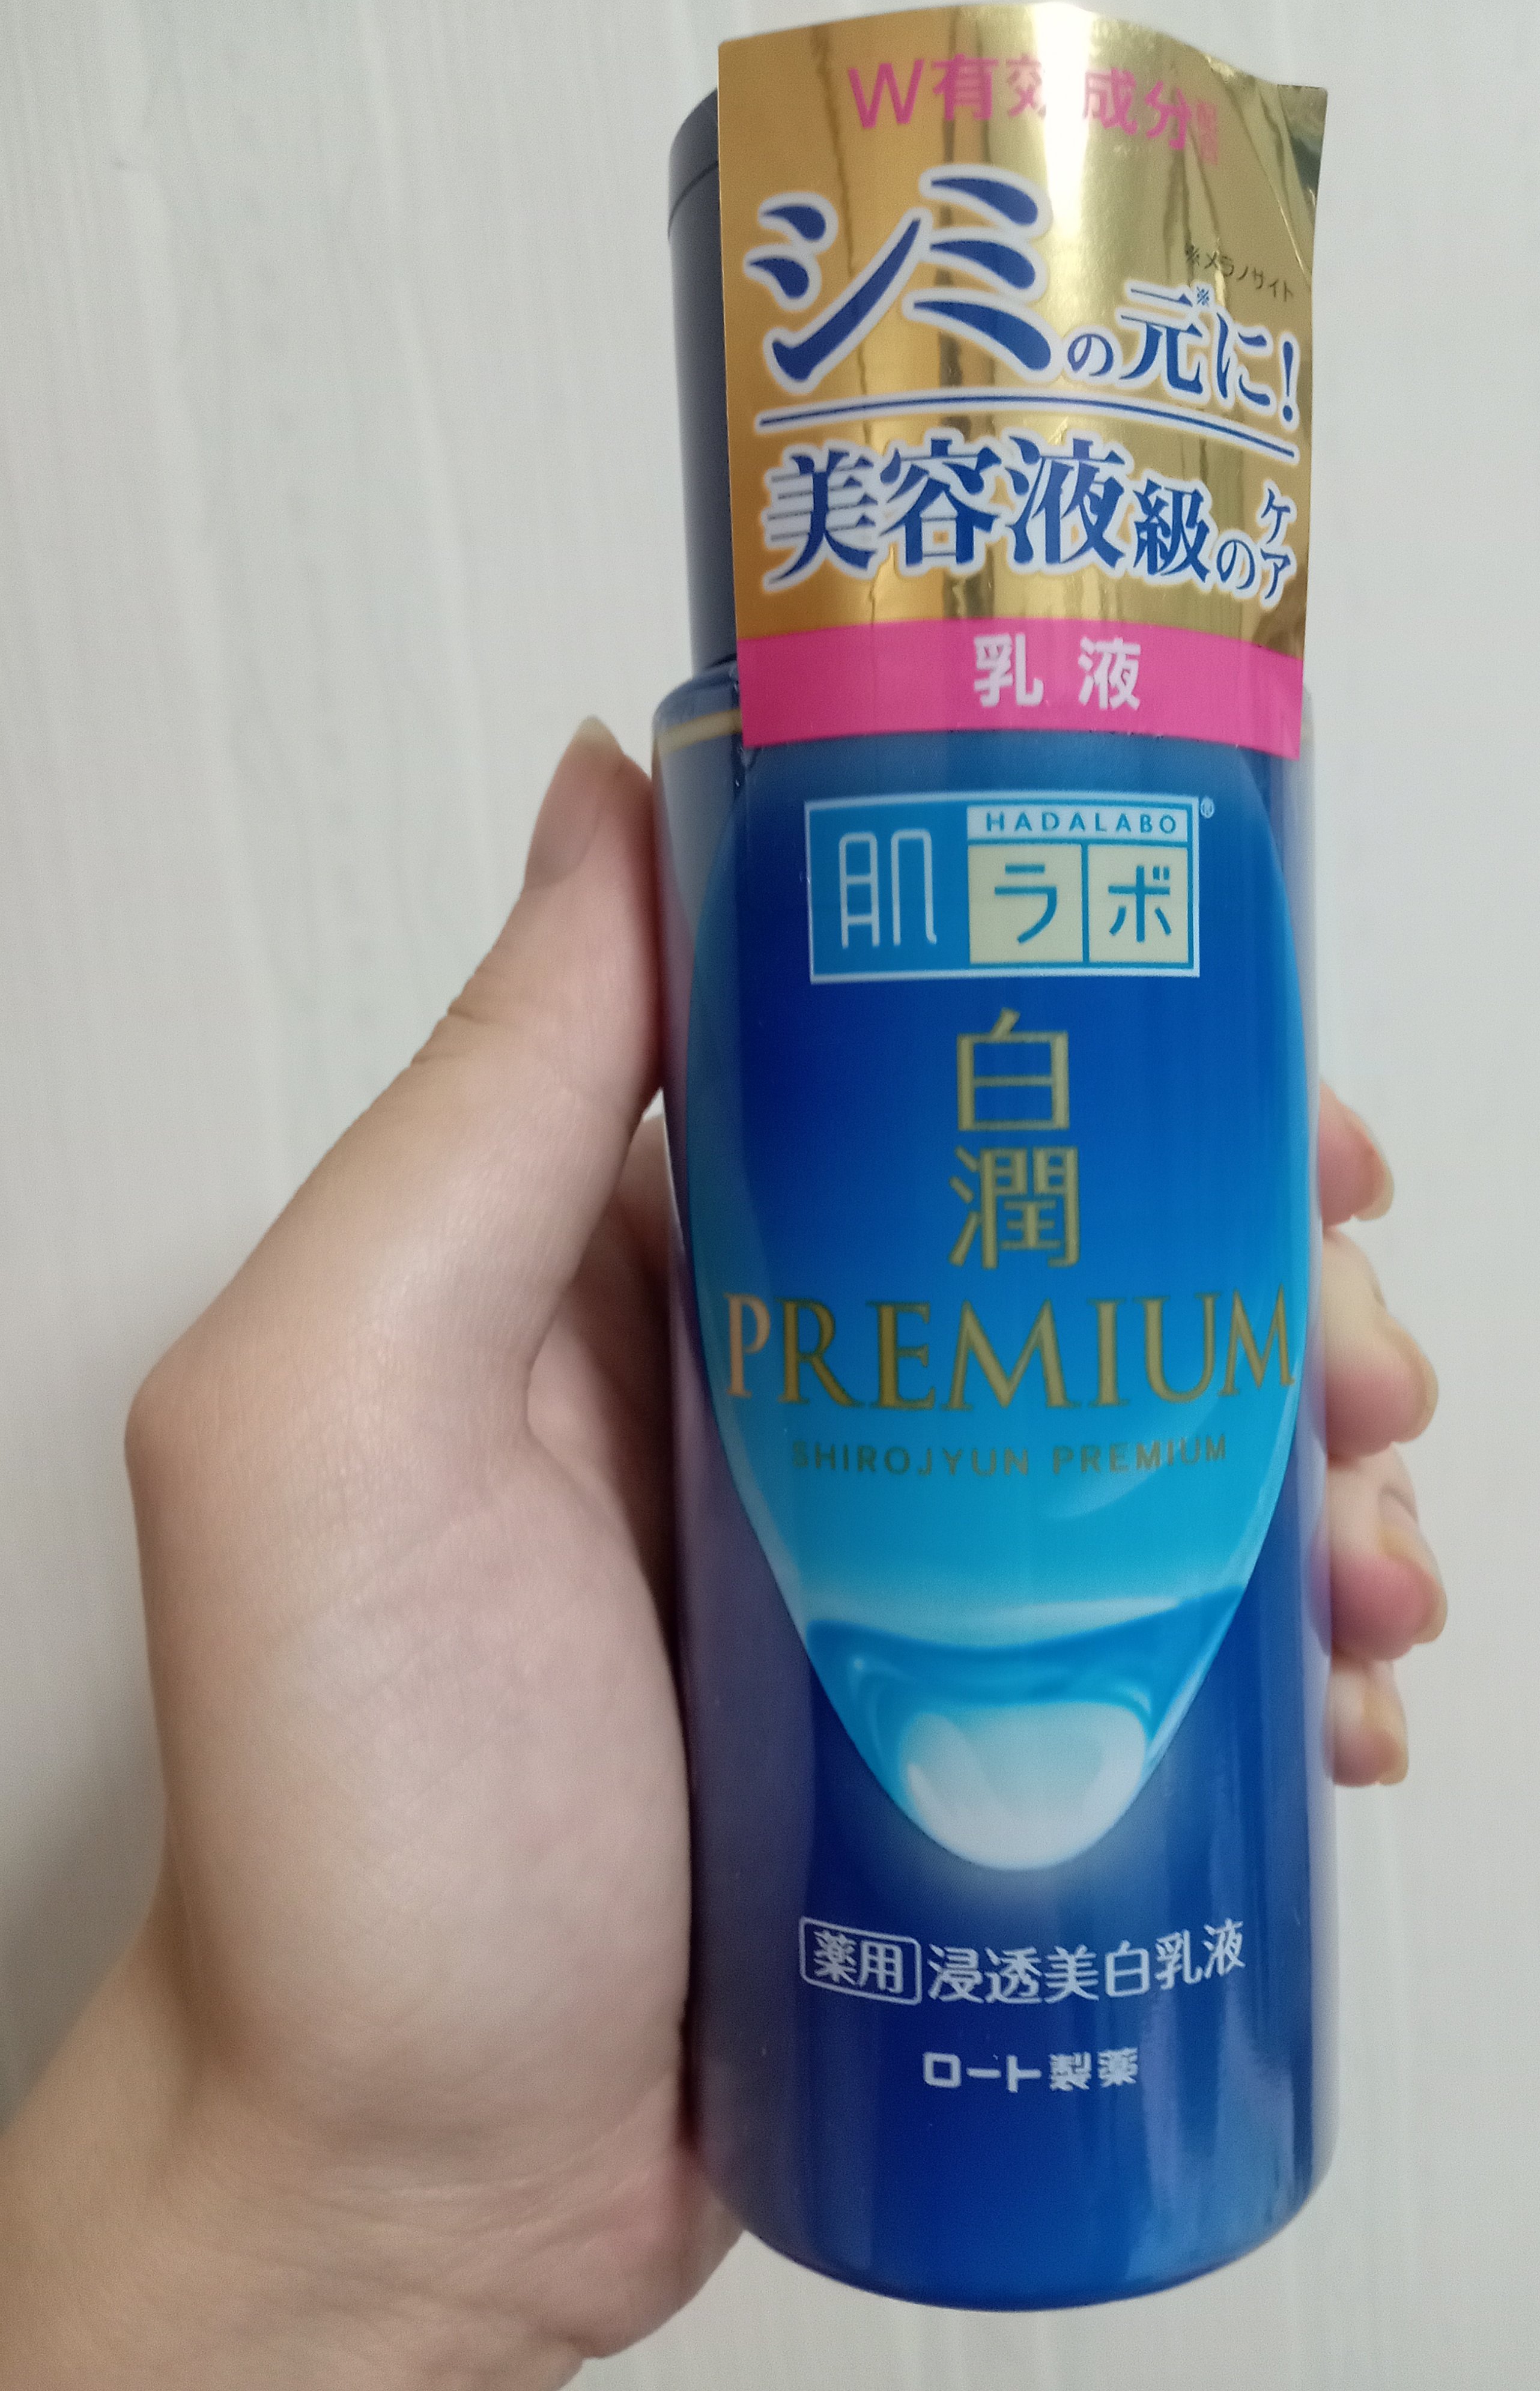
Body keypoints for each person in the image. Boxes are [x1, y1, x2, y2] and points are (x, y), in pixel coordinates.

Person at [0, 723, 1444, 2386]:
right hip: (724, 2009)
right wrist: (347, 2205)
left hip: (1143, 1971)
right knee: (1137, 1336)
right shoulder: (770, 778)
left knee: (1206, 1330)